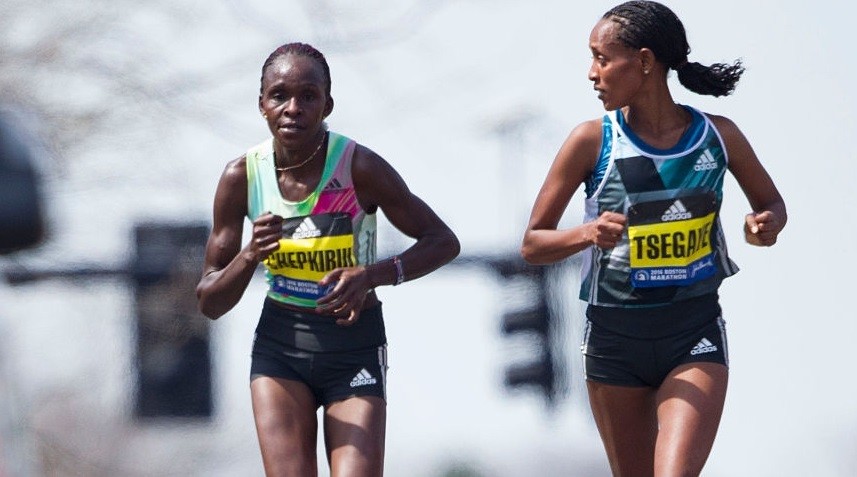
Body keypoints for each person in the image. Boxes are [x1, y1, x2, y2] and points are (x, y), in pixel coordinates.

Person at [520, 2, 786, 476]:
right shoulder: (590, 141)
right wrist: (587, 233)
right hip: (614, 340)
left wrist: (763, 226)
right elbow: (533, 244)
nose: (592, 73)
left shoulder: (718, 136)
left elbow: (771, 205)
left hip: (693, 331)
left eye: (602, 58)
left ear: (644, 61)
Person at [196, 42, 460, 477]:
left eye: (308, 96)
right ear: (262, 105)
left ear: (327, 105)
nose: (293, 108)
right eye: (279, 95)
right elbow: (210, 301)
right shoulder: (242, 177)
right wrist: (250, 254)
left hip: (353, 345)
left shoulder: (360, 167)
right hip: (281, 347)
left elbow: (443, 241)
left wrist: (372, 276)